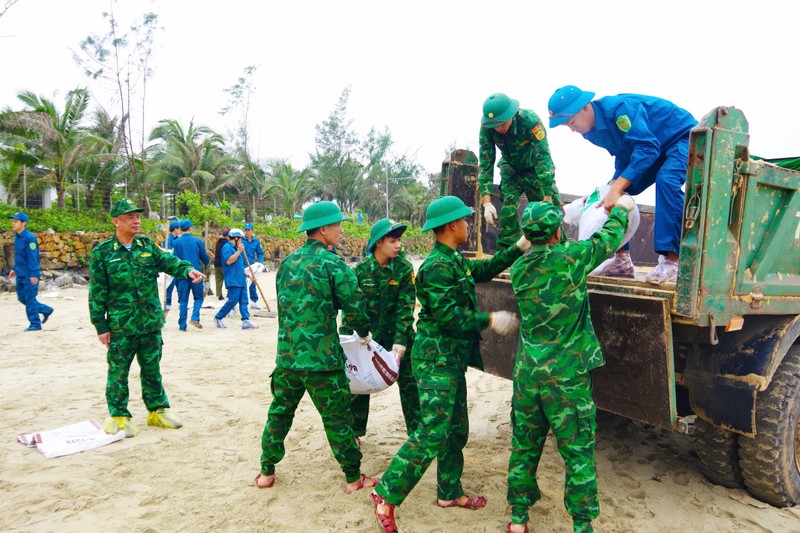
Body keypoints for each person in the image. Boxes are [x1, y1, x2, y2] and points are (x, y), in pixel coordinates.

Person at [370, 196, 528, 533]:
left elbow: (484, 269)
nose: (469, 225)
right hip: (435, 359)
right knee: (432, 430)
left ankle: (449, 491)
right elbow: (448, 317)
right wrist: (489, 319)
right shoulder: (435, 266)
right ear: (453, 226)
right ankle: (386, 493)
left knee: (456, 428)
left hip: (452, 359)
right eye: (465, 221)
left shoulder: (454, 259)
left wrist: (520, 245)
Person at [505, 197, 633, 533]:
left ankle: (518, 518)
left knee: (524, 446)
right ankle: (581, 525)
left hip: (529, 376)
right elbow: (605, 241)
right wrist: (622, 209)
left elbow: (525, 254)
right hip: (567, 377)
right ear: (558, 230)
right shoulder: (571, 258)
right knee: (577, 452)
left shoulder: (518, 270)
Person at [256, 201, 380, 495]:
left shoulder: (286, 264)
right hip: (322, 361)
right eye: (338, 225)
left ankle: (266, 471)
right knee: (337, 419)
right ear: (322, 229)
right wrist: (364, 333)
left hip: (287, 359)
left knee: (279, 414)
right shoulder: (333, 264)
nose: (341, 230)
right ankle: (353, 477)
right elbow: (354, 308)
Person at [547, 85, 698, 284]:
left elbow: (647, 148)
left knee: (667, 180)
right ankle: (621, 260)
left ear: (585, 107)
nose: (573, 129)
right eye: (567, 125)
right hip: (652, 147)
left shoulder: (620, 110)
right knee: (610, 194)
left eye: (572, 122)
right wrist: (614, 188)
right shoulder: (589, 132)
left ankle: (673, 262)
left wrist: (618, 187)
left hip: (682, 137)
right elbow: (624, 153)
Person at [88, 198, 205, 437]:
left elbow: (168, 262)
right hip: (121, 326)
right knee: (118, 372)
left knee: (152, 368)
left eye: (138, 216)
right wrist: (100, 325)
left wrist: (187, 269)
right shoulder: (102, 253)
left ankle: (158, 410)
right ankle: (119, 415)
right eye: (130, 217)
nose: (136, 220)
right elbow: (97, 292)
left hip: (150, 322)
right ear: (116, 221)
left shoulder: (146, 245)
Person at [340, 218, 420, 443]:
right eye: (393, 241)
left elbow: (406, 308)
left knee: (410, 384)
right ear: (378, 243)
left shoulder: (404, 269)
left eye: (399, 240)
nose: (398, 245)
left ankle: (417, 434)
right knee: (357, 385)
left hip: (397, 336)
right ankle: (354, 433)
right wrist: (350, 340)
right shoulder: (360, 271)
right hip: (366, 338)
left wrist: (401, 340)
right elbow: (352, 309)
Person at [479, 93, 561, 249]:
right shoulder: (487, 127)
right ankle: (508, 256)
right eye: (495, 125)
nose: (499, 128)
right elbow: (486, 162)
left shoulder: (530, 121)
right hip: (511, 170)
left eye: (502, 123)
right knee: (508, 210)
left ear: (511, 114)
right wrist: (487, 203)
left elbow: (543, 158)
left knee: (547, 211)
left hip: (535, 169)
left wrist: (547, 196)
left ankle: (555, 250)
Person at [8, 211, 53, 331]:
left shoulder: (29, 238)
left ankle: (35, 323)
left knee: (30, 299)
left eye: (16, 221)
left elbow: (33, 258)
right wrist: (14, 269)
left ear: (24, 223)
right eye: (13, 221)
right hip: (21, 273)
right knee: (22, 298)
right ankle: (45, 309)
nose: (13, 223)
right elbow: (20, 257)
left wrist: (34, 275)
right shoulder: (17, 237)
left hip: (29, 275)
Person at [213, 228, 258, 330]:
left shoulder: (236, 248)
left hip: (241, 279)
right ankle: (218, 317)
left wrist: (248, 275)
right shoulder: (227, 248)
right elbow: (229, 261)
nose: (242, 241)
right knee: (233, 300)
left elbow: (240, 266)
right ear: (236, 238)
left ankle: (245, 320)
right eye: (241, 239)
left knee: (244, 300)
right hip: (233, 279)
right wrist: (239, 252)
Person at [171, 219, 210, 331]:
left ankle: (182, 325)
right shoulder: (197, 241)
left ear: (180, 229)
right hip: (196, 273)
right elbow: (204, 257)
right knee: (198, 298)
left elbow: (174, 258)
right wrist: (207, 262)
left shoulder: (176, 242)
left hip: (182, 274)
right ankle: (195, 317)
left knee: (183, 301)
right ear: (191, 228)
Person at [242, 222, 265, 309]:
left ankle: (254, 301)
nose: (247, 232)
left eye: (249, 230)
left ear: (252, 231)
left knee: (252, 283)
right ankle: (241, 302)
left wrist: (260, 263)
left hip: (251, 266)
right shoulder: (241, 240)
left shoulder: (256, 242)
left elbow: (260, 253)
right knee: (242, 284)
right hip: (242, 265)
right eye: (246, 230)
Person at [164, 220, 181, 310]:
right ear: (175, 229)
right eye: (178, 229)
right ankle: (168, 303)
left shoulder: (178, 240)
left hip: (179, 266)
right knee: (170, 286)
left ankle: (180, 302)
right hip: (171, 266)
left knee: (180, 285)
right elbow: (166, 253)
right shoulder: (168, 240)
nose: (179, 230)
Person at [213, 229, 229, 300]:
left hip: (216, 263)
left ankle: (219, 294)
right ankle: (229, 293)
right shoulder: (228, 243)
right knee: (227, 278)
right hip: (224, 263)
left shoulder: (218, 242)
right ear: (228, 236)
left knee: (218, 279)